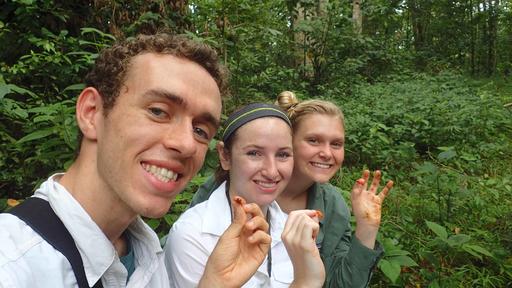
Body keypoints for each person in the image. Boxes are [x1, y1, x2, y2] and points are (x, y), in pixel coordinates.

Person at [0, 34, 271, 288]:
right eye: (158, 111)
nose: (187, 144)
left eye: (200, 131)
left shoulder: (145, 252)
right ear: (91, 113)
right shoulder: (13, 263)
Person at [190, 91, 394, 288]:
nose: (326, 153)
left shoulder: (331, 204)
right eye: (313, 140)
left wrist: (367, 227)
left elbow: (340, 283)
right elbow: (185, 242)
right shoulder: (235, 185)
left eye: (336, 144)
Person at [164, 103, 326, 287]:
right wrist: (307, 281)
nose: (272, 171)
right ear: (225, 156)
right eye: (254, 153)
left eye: (282, 155)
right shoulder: (192, 235)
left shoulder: (292, 236)